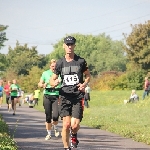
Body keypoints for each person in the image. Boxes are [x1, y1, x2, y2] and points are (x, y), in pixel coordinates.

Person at [50, 36, 90, 150]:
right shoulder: (60, 63)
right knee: (66, 125)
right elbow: (52, 80)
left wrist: (84, 84)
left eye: (71, 44)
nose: (69, 46)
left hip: (77, 96)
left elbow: (88, 75)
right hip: (64, 96)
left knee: (75, 125)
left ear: (74, 46)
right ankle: (66, 147)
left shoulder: (81, 61)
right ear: (64, 46)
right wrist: (55, 82)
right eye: (67, 44)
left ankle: (74, 135)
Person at [38, 59, 61, 140]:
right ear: (50, 66)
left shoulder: (60, 73)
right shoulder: (45, 73)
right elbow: (39, 83)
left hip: (56, 95)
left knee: (55, 115)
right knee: (48, 116)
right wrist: (42, 85)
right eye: (52, 66)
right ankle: (49, 134)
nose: (54, 68)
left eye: (55, 66)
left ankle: (55, 126)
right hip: (47, 95)